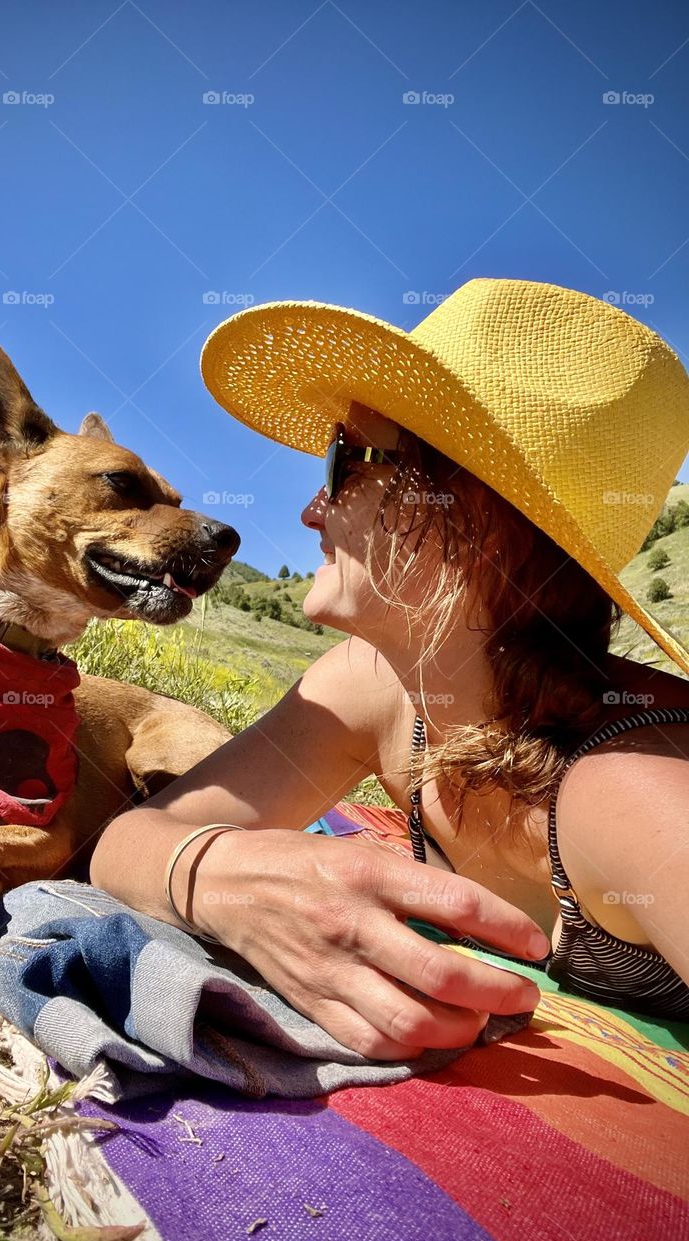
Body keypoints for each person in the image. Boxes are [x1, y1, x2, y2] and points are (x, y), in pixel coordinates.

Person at [89, 277, 689, 1058]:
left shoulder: (631, 789)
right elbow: (127, 844)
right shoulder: (372, 688)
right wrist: (216, 873)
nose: (311, 509)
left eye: (343, 462)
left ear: (475, 512)